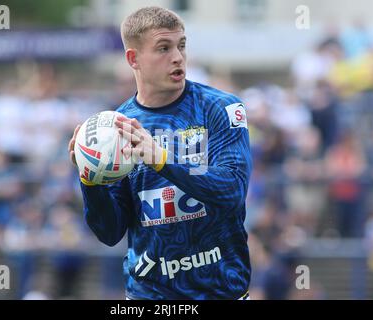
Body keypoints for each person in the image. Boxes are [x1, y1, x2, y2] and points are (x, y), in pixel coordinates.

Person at [68, 6, 252, 300]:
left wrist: (162, 160)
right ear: (133, 58)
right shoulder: (116, 129)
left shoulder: (221, 108)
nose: (178, 57)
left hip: (221, 292)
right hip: (148, 296)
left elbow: (232, 191)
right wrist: (91, 180)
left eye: (181, 45)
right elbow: (109, 232)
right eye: (163, 48)